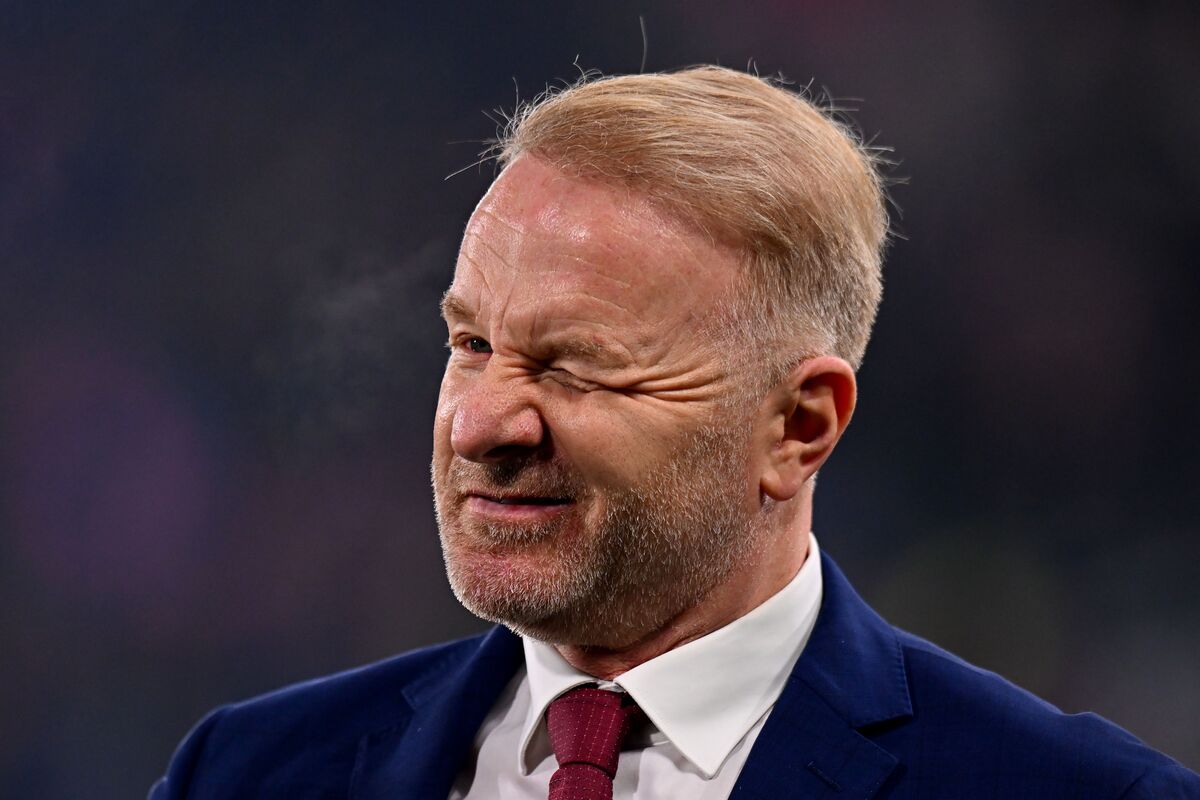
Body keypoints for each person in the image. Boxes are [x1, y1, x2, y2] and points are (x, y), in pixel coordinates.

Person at [150, 66, 1199, 799]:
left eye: (577, 364)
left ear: (798, 426)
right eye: (471, 344)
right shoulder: (245, 772)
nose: (479, 422)